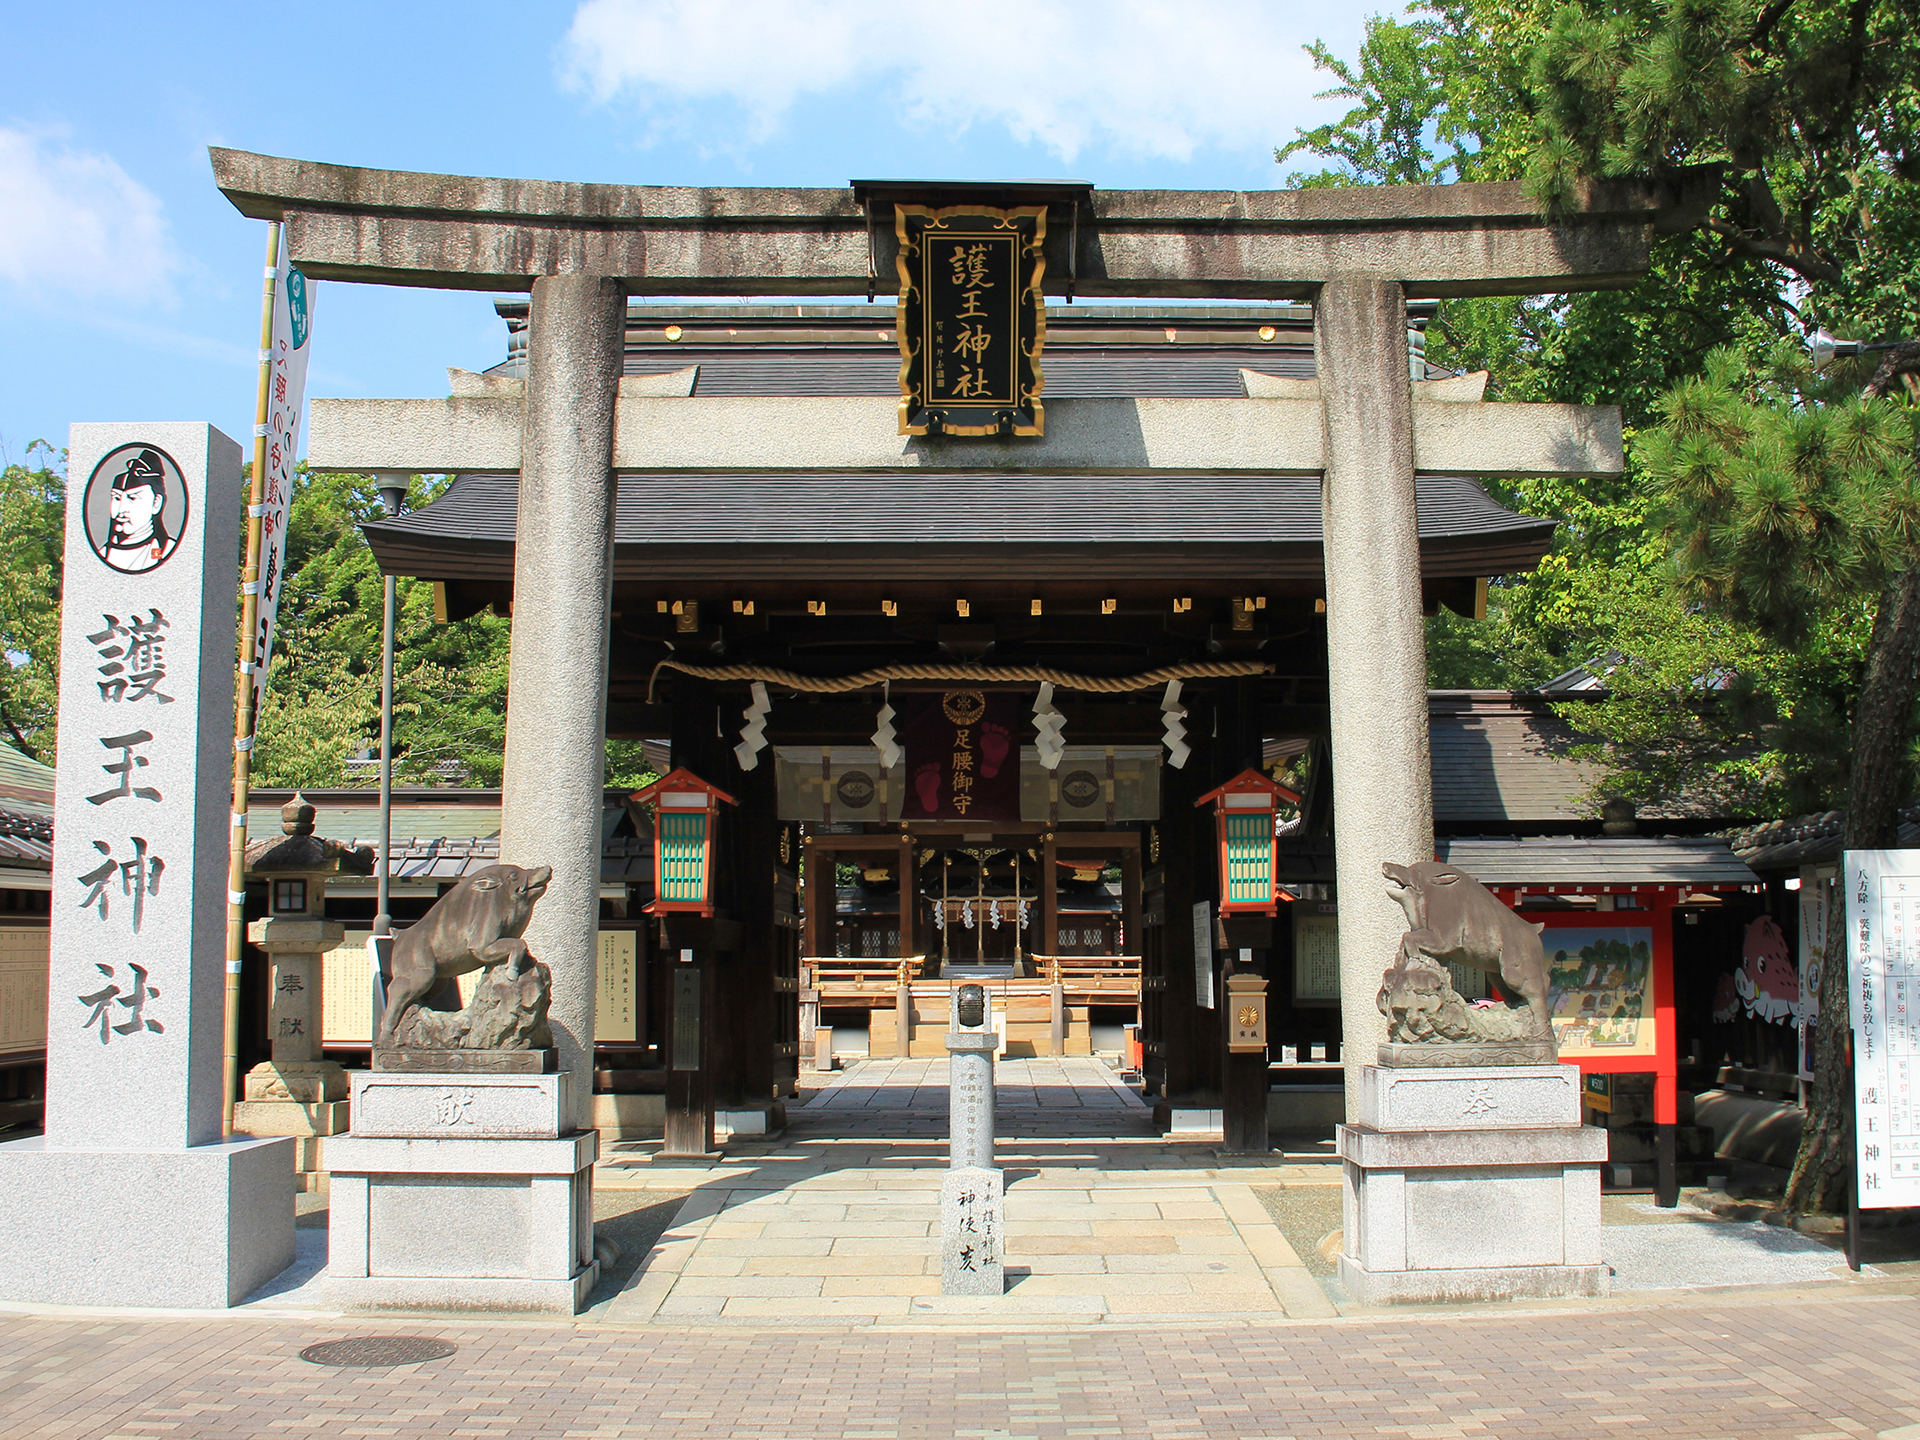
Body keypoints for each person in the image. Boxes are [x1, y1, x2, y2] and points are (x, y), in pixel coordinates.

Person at [99, 450, 175, 573]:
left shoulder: (168, 550)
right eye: (117, 498)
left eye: (133, 498)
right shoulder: (102, 554)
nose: (121, 510)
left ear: (156, 503)